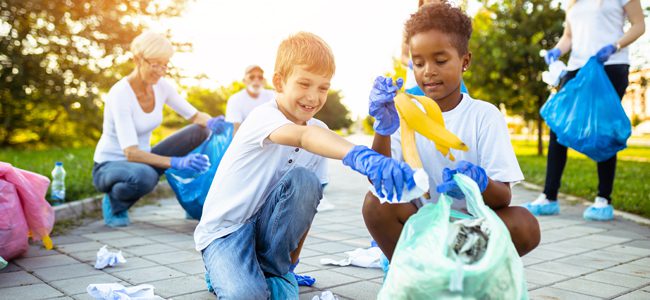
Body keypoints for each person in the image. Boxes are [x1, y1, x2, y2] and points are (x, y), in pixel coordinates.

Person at [194, 32, 415, 298]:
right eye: (304, 84)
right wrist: (359, 155)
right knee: (246, 295)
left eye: (323, 87)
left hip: (266, 231)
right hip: (226, 231)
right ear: (279, 82)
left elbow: (307, 205)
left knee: (306, 181)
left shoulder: (319, 130)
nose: (313, 97)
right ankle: (221, 271)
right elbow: (304, 136)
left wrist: (290, 263)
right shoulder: (263, 116)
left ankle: (271, 268)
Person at [363, 2, 541, 264]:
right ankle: (411, 273)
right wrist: (382, 129)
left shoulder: (485, 116)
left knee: (525, 224)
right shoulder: (404, 115)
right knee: (374, 204)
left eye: (440, 60)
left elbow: (503, 197)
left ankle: (460, 273)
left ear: (465, 60)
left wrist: (480, 183)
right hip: (421, 225)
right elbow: (379, 181)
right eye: (418, 63)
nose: (428, 71)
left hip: (472, 229)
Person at [525, 0, 645, 221]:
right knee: (558, 127)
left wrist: (615, 46)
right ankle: (549, 196)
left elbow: (639, 25)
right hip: (576, 67)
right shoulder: (572, 1)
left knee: (603, 131)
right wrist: (556, 50)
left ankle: (603, 199)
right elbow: (569, 37)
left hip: (609, 66)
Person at [92, 31, 227, 227]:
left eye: (164, 65)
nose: (160, 71)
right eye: (155, 64)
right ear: (137, 59)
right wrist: (176, 162)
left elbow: (195, 116)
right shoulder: (120, 94)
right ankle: (115, 202)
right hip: (109, 166)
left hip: (143, 158)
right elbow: (130, 152)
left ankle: (191, 199)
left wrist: (212, 122)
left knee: (200, 130)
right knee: (146, 177)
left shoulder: (161, 86)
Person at [401, 0, 468, 95]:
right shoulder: (410, 27)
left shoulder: (451, 24)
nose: (433, 2)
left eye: (441, 60)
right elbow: (403, 56)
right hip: (415, 81)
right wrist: (415, 63)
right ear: (422, 2)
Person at [225, 65, 276, 134]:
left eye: (260, 77)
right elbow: (235, 129)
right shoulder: (235, 99)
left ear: (264, 81)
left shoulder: (273, 95)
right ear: (244, 81)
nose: (256, 80)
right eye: (252, 77)